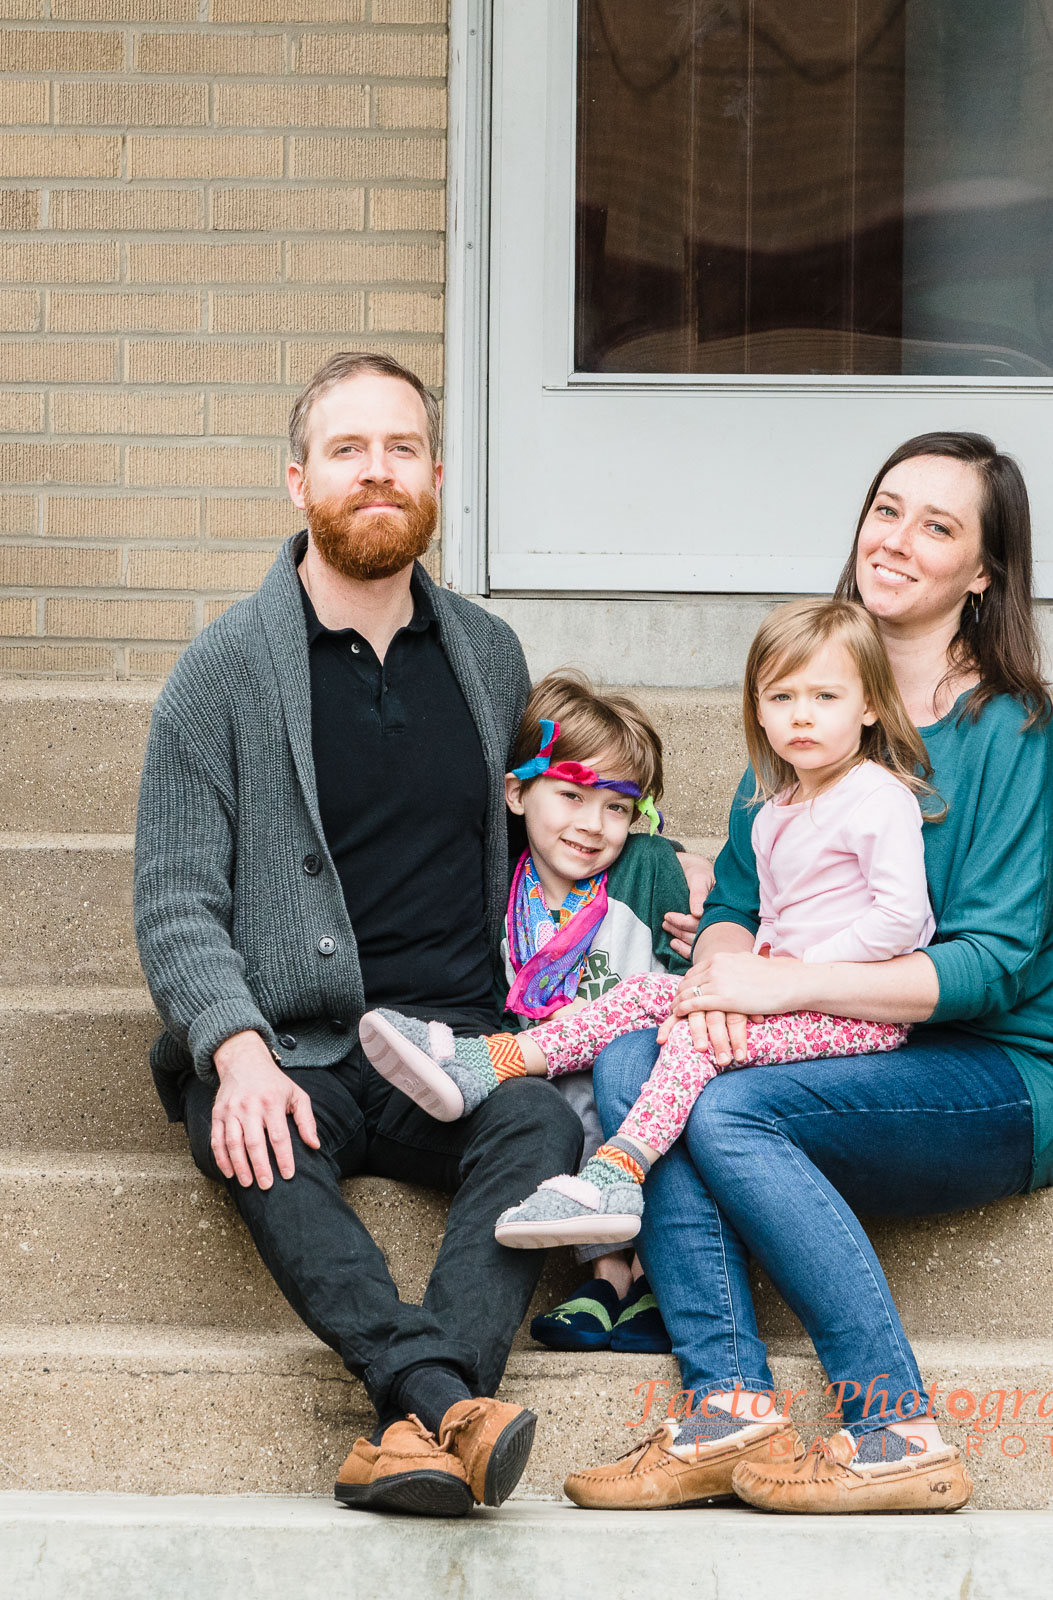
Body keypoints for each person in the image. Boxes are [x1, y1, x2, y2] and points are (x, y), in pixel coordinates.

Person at [132, 350, 705, 1518]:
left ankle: (412, 1427)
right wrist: (234, 1049)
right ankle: (441, 1400)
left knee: (541, 1118)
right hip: (295, 1047)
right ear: (298, 480)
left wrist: (684, 871)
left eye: (401, 448)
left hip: (454, 1046)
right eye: (346, 449)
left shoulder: (486, 657)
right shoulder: (221, 672)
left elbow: (567, 809)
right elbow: (174, 899)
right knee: (250, 1130)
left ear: (437, 476)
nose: (376, 470)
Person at [560, 432, 1053, 1514]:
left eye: (937, 526)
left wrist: (783, 983)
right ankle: (727, 1410)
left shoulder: (1009, 733)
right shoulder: (811, 702)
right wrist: (721, 984)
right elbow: (733, 908)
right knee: (630, 1062)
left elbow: (991, 967)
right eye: (886, 509)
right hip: (823, 1039)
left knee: (728, 1111)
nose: (895, 540)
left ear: (982, 573)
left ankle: (893, 1426)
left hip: (993, 1070)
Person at [369, 598, 936, 1254]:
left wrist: (787, 974)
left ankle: (619, 1171)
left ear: (870, 706)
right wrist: (750, 967)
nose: (802, 714)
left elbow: (903, 919)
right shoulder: (774, 809)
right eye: (782, 696)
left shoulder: (878, 798)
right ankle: (484, 1063)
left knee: (693, 1037)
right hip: (782, 993)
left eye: (825, 696)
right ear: (757, 709)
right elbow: (774, 917)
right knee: (640, 996)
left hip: (853, 1011)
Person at [360, 670, 688, 1354]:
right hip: (543, 1067)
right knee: (552, 1102)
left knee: (614, 1082)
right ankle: (605, 1278)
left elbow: (687, 974)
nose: (592, 825)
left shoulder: (649, 867)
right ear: (516, 793)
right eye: (571, 795)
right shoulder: (494, 880)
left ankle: (646, 1276)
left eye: (617, 807)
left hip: (641, 1062)